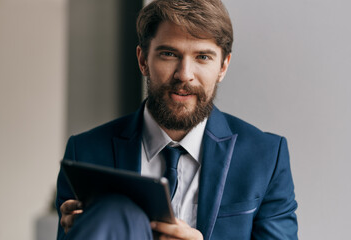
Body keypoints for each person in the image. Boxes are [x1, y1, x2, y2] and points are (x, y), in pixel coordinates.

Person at [56, 0, 298, 239]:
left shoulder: (266, 158)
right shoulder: (84, 152)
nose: (184, 74)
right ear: (143, 60)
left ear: (223, 66)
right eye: (169, 54)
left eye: (203, 57)